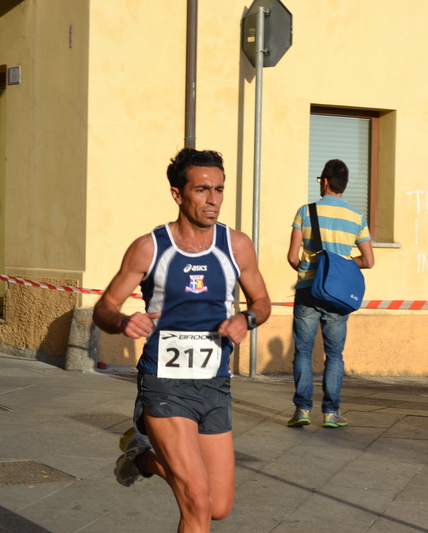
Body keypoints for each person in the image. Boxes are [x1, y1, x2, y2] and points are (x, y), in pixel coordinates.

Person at [93, 148, 271, 532]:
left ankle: (142, 458)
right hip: (164, 384)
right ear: (178, 194)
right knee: (197, 503)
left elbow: (262, 301)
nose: (213, 200)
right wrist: (123, 321)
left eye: (220, 190)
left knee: (219, 506)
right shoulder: (150, 248)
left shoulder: (236, 245)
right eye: (203, 189)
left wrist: (247, 318)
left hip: (215, 384)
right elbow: (103, 308)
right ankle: (149, 450)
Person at [286, 159, 375, 428]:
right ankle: (331, 412)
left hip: (307, 290)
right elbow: (368, 261)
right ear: (343, 186)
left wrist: (309, 267)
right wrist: (342, 263)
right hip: (337, 296)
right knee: (334, 354)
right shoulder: (357, 218)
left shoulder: (305, 211)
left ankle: (302, 410)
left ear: (324, 182)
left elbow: (292, 257)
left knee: (303, 350)